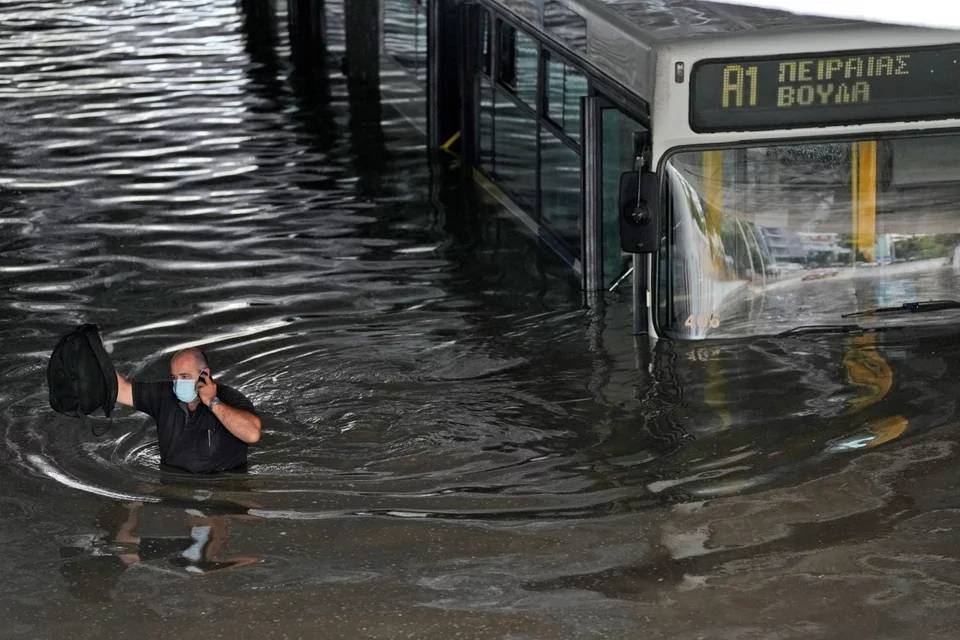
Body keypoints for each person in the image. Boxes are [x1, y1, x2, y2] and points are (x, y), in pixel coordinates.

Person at [115, 347, 261, 473]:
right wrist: (95, 347)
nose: (179, 384)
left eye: (185, 376)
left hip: (222, 488)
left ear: (204, 374)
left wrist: (212, 402)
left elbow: (252, 434)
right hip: (173, 484)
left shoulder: (229, 398)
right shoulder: (164, 395)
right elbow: (120, 390)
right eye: (174, 377)